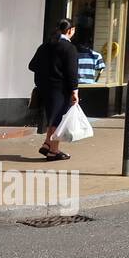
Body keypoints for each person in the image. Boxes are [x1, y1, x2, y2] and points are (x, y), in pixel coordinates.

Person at [30, 18, 80, 161]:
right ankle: (54, 151)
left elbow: (32, 65)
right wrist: (74, 91)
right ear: (70, 30)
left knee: (52, 117)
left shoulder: (45, 46)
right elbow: (72, 72)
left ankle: (47, 144)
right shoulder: (69, 48)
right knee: (57, 118)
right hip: (60, 89)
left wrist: (48, 71)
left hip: (44, 88)